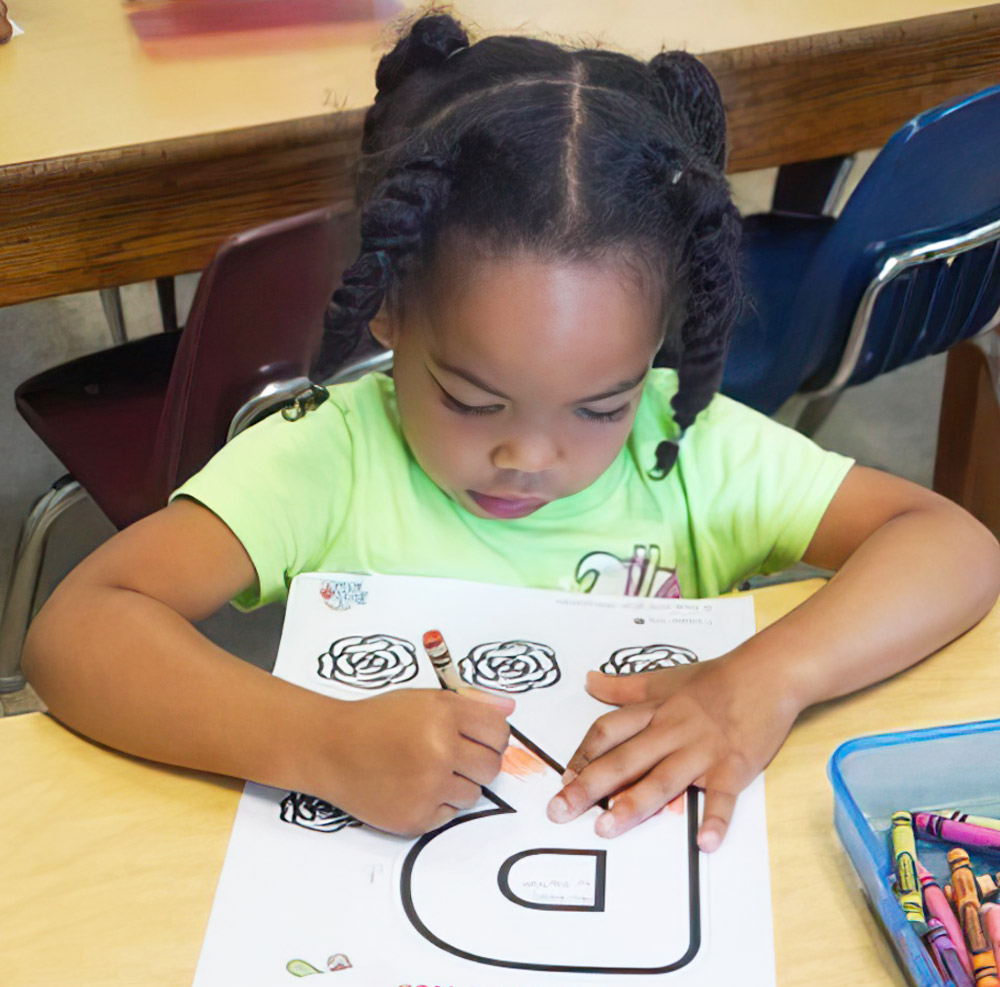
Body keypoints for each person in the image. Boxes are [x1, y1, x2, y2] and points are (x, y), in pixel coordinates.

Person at [22, 13, 1000, 851]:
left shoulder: (684, 448)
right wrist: (316, 741)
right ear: (389, 312)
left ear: (657, 351)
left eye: (599, 406)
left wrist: (767, 679)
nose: (530, 456)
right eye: (472, 400)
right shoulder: (334, 456)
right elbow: (78, 630)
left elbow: (952, 545)